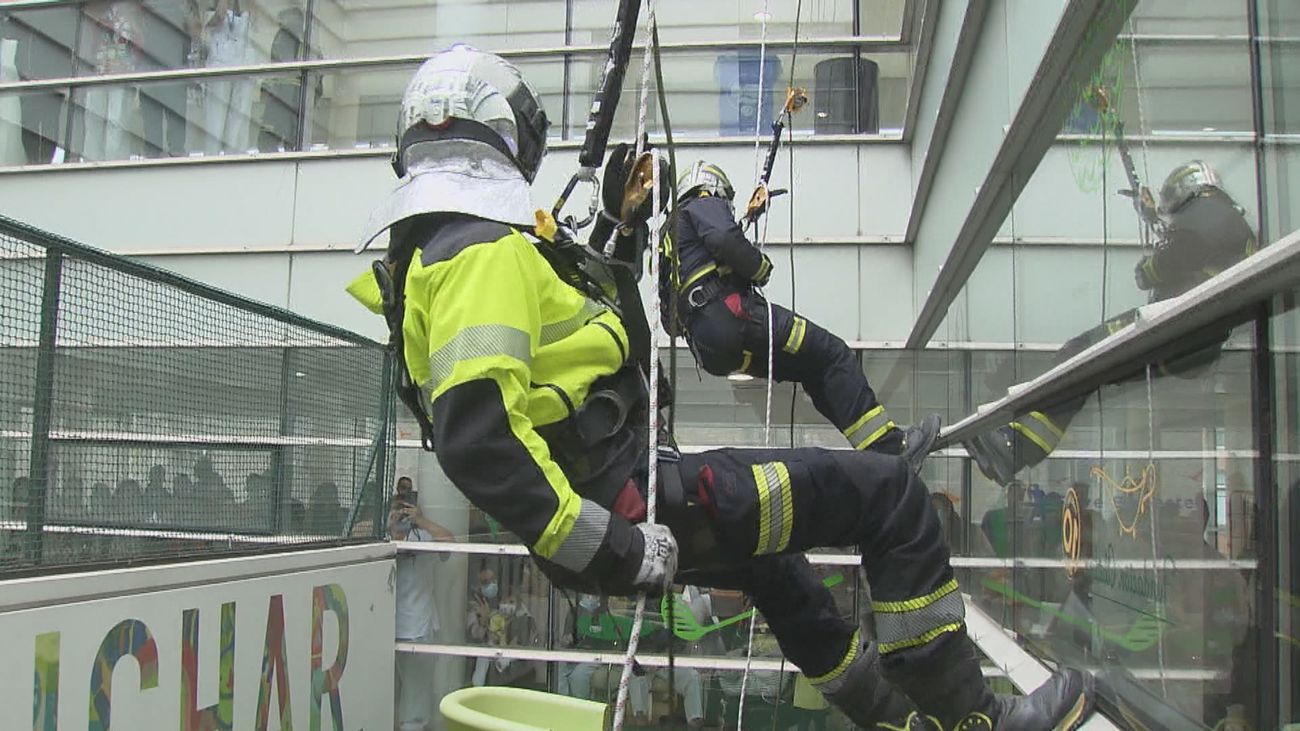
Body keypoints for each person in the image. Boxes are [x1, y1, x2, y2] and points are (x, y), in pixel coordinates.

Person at [348, 47, 1091, 731]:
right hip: (636, 505)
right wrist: (614, 545)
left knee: (774, 570)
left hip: (632, 496)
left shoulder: (437, 254)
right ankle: (976, 719)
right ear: (504, 132)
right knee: (893, 495)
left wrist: (622, 226)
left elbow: (568, 350)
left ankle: (900, 718)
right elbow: (482, 444)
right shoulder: (480, 253)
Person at [964, 161, 1258, 486]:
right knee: (1086, 371)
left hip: (1175, 327)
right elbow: (1190, 250)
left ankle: (1016, 446)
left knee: (1080, 353)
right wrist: (1153, 221)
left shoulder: (1208, 211)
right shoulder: (1227, 220)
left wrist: (1149, 267)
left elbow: (1163, 264)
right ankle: (1017, 447)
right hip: (1189, 337)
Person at [665, 160, 939, 466]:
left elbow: (669, 320)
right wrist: (759, 267)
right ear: (709, 188)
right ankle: (893, 450)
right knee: (834, 354)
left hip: (711, 351)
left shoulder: (669, 239)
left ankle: (880, 457)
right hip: (734, 317)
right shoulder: (700, 203)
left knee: (814, 368)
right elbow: (725, 239)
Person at [391, 476, 452, 731]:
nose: (402, 514)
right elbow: (355, 538)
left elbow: (450, 545)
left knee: (416, 703)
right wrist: (388, 525)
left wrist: (421, 521)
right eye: (398, 508)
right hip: (383, 630)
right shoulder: (380, 538)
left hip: (417, 629)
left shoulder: (423, 537)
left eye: (407, 508)